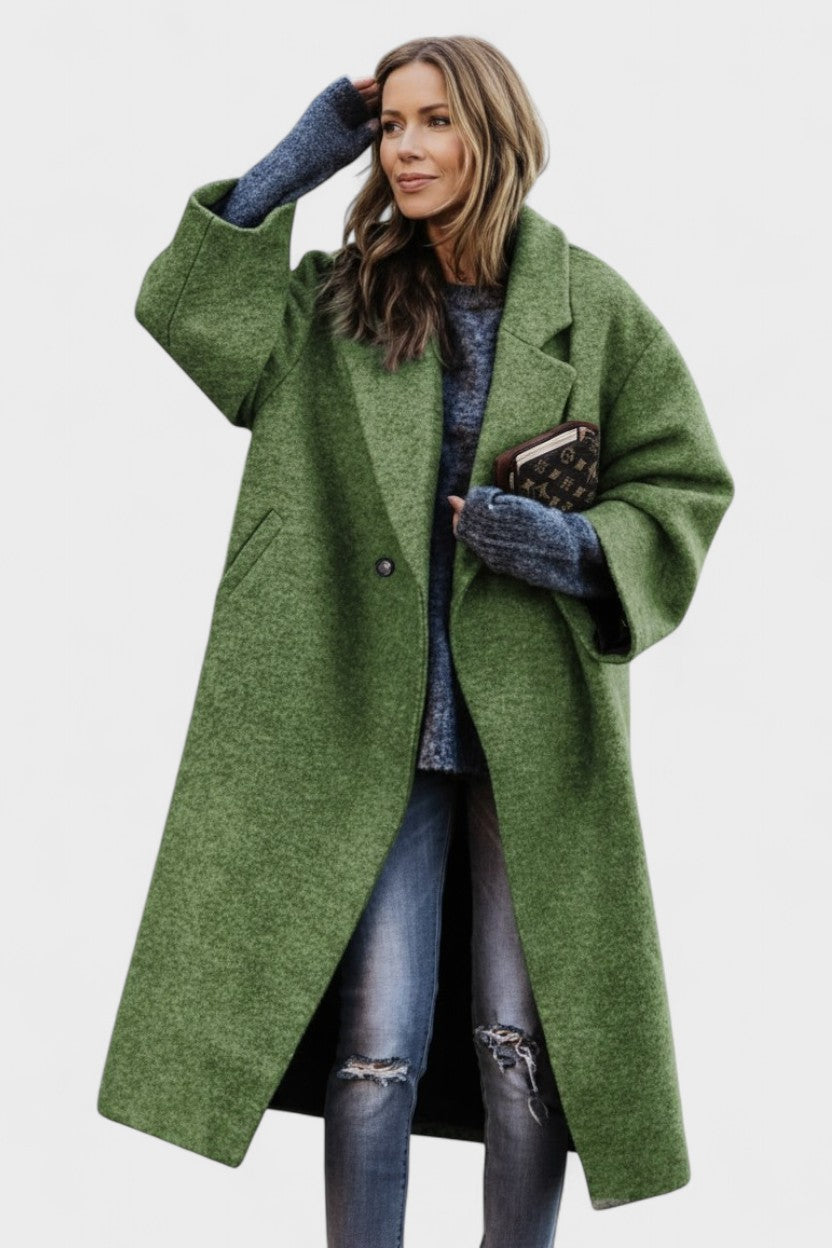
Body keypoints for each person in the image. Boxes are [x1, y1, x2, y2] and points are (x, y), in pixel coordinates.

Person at [98, 34, 734, 1248]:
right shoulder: (337, 305)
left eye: (434, 120)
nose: (406, 147)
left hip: (526, 726)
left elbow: (683, 488)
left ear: (494, 134)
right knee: (374, 1045)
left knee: (518, 1040)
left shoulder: (591, 308)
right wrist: (287, 167)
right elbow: (184, 311)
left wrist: (560, 544)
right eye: (389, 125)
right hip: (362, 717)